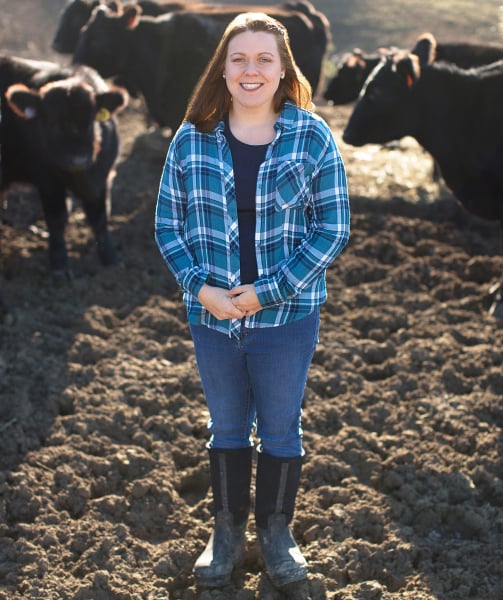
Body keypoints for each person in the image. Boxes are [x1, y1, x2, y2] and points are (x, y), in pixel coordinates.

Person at [155, 12, 350, 589]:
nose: (251, 70)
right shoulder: (191, 139)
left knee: (282, 430)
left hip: (287, 316)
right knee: (227, 427)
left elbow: (333, 227)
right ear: (223, 67)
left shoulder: (310, 136)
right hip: (211, 316)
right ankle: (226, 532)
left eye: (265, 58)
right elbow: (168, 226)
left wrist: (268, 291)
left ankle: (277, 533)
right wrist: (202, 290)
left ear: (284, 68)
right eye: (239, 58)